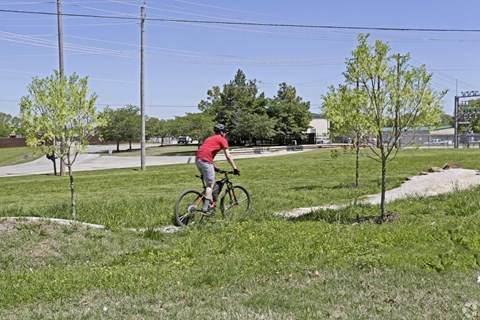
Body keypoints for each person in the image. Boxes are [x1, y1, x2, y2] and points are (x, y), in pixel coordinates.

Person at [195, 124, 240, 213]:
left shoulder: (209, 138)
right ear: (222, 132)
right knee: (210, 185)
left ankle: (210, 204)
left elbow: (206, 152)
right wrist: (235, 168)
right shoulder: (222, 140)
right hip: (206, 162)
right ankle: (206, 208)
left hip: (198, 160)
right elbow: (228, 156)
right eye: (225, 132)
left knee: (209, 184)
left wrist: (214, 167)